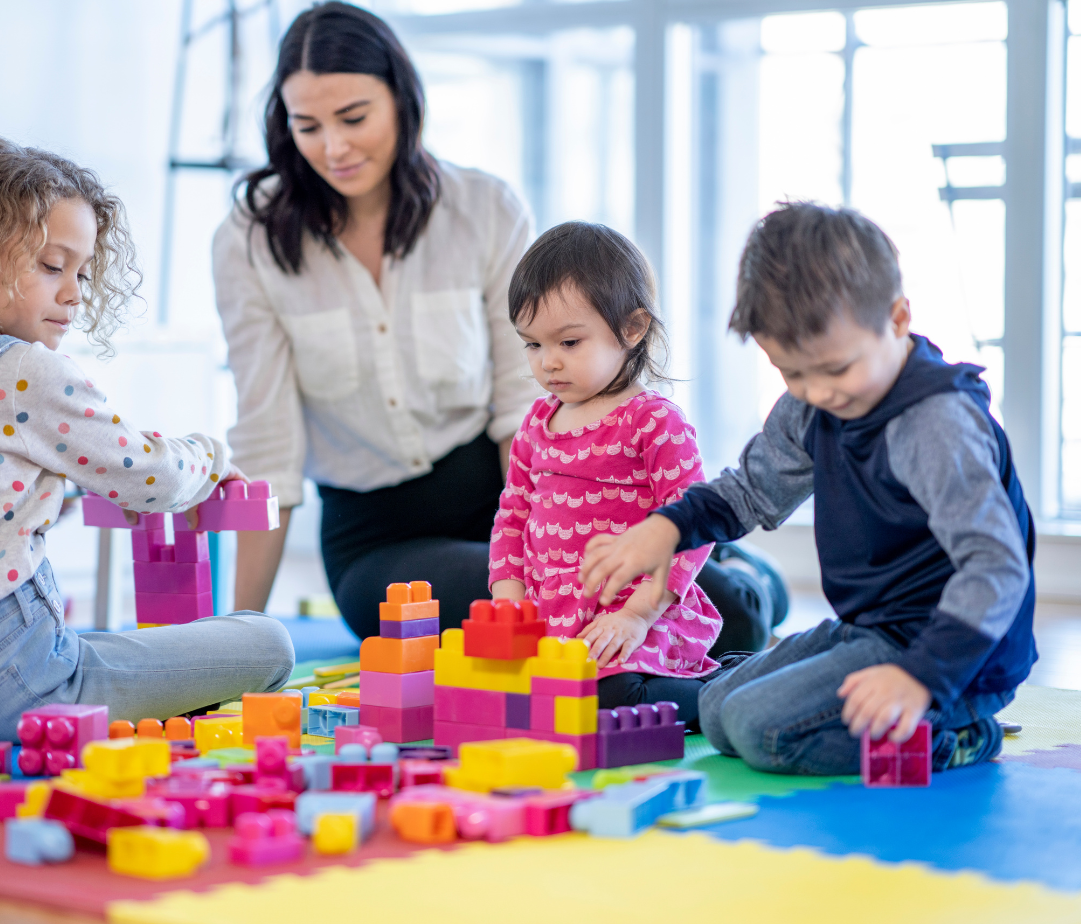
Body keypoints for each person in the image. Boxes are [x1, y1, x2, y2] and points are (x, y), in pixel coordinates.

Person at [216, 0, 787, 650]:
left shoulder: (482, 208)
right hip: (382, 541)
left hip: (524, 497)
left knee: (710, 608)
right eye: (307, 126)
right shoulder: (249, 240)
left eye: (354, 118)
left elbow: (527, 401)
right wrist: (242, 639)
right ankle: (731, 575)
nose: (334, 147)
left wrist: (553, 541)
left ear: (404, 102)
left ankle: (739, 574)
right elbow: (268, 445)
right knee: (537, 629)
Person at [0, 136, 293, 739]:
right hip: (13, 691)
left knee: (107, 644)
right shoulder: (23, 369)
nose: (75, 292)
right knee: (268, 641)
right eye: (52, 266)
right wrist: (210, 458)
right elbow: (149, 477)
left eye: (81, 272)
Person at [580, 202, 1034, 774]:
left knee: (759, 732)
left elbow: (996, 568)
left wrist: (921, 678)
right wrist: (665, 529)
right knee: (718, 712)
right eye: (792, 373)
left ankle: (960, 735)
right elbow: (750, 490)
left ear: (896, 320)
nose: (817, 392)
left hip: (952, 656)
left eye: (835, 370)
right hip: (870, 629)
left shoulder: (933, 423)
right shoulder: (813, 403)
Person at [489, 222, 721, 720]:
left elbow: (694, 526)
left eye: (569, 343)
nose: (548, 363)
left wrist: (638, 615)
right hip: (556, 623)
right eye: (531, 345)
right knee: (511, 698)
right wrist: (507, 601)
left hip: (637, 616)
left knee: (609, 699)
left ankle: (730, 690)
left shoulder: (653, 421)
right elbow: (512, 517)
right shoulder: (536, 423)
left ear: (632, 329)